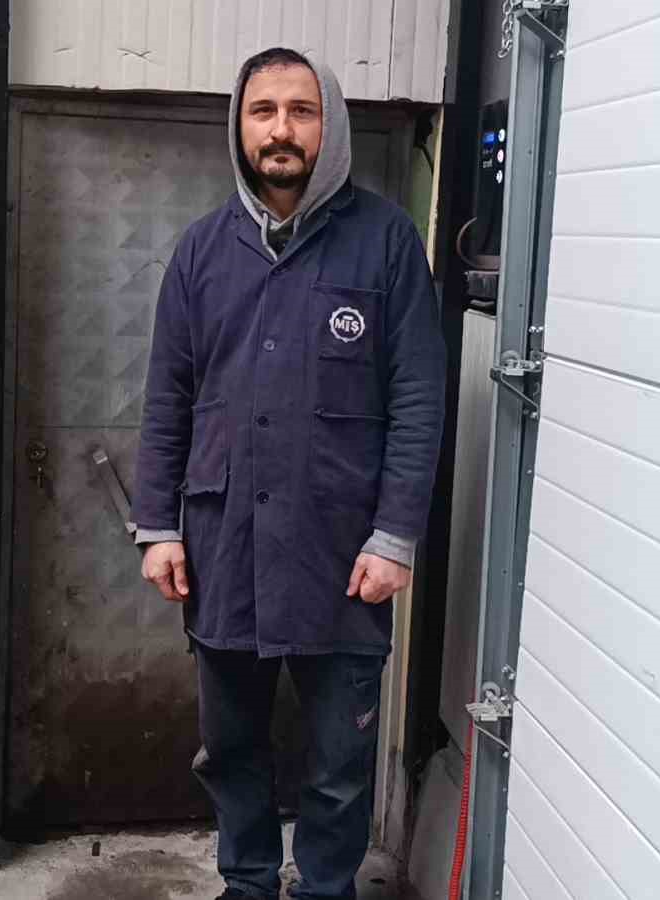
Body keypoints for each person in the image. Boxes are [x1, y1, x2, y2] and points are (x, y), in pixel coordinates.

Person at [134, 46, 447, 900]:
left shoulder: (385, 244)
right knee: (231, 751)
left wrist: (395, 536)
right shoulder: (202, 252)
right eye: (264, 110)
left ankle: (324, 890)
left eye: (301, 111)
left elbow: (419, 401)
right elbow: (167, 399)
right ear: (240, 125)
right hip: (223, 545)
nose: (282, 129)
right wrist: (158, 527)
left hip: (342, 555)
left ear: (330, 125)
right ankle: (245, 884)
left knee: (339, 765)